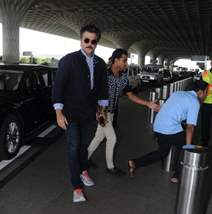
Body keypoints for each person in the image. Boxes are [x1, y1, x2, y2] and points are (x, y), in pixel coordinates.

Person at [52, 24, 108, 203]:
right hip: (70, 113)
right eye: (86, 40)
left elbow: (102, 88)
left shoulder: (100, 63)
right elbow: (58, 86)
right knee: (73, 146)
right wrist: (59, 113)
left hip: (89, 113)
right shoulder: (69, 60)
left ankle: (83, 171)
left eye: (93, 41)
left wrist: (102, 110)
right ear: (81, 40)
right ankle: (76, 187)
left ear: (96, 42)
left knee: (84, 146)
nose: (89, 44)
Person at [88, 48, 159, 175]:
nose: (126, 63)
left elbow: (130, 95)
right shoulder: (104, 74)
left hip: (112, 112)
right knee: (112, 138)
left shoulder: (124, 78)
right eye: (124, 60)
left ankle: (84, 158)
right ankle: (110, 167)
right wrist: (99, 111)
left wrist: (147, 103)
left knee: (99, 137)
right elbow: (93, 93)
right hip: (102, 112)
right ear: (116, 60)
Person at [128, 79, 208, 183]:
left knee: (162, 152)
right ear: (200, 92)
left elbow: (169, 109)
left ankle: (135, 162)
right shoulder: (194, 102)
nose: (207, 95)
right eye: (206, 92)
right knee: (185, 147)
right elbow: (190, 128)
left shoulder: (178, 93)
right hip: (170, 128)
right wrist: (188, 147)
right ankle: (178, 175)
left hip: (158, 126)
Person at [201, 59, 212, 147]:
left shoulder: (206, 73)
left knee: (206, 123)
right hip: (207, 103)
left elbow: (202, 89)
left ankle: (205, 142)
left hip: (207, 103)